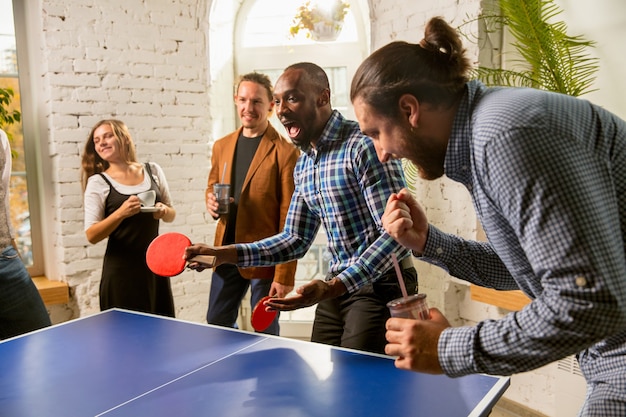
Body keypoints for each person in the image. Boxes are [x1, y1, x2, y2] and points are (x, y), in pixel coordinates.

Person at [350, 16, 626, 416]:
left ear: (409, 109)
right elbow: (523, 269)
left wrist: (446, 348)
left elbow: (589, 304)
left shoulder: (504, 135)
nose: (382, 153)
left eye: (376, 133)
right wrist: (429, 242)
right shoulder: (487, 132)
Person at [186, 62, 418, 354]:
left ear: (322, 97)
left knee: (358, 382)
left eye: (292, 98)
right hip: (338, 284)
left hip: (382, 282)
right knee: (326, 372)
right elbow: (293, 239)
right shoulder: (305, 165)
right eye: (279, 101)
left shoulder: (362, 147)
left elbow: (397, 236)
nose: (281, 109)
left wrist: (334, 286)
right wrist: (223, 254)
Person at [205, 72, 299, 335]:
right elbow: (212, 185)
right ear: (236, 100)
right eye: (243, 100)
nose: (249, 108)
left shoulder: (286, 152)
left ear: (270, 105)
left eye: (257, 101)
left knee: (265, 329)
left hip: (265, 257)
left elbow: (289, 219)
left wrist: (283, 276)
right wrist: (211, 201)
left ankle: (268, 375)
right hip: (226, 251)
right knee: (216, 321)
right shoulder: (221, 146)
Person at [81, 119, 177, 317]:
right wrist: (120, 213)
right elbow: (92, 235)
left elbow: (171, 212)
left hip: (155, 268)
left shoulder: (153, 171)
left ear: (124, 138)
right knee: (124, 341)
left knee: (161, 334)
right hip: (120, 274)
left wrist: (163, 211)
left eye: (108, 136)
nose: (102, 143)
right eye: (97, 140)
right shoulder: (98, 182)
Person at [0, 128, 51, 339]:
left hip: (5, 259)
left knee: (42, 341)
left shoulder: (0, 137)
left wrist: (14, 252)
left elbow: (2, 201)